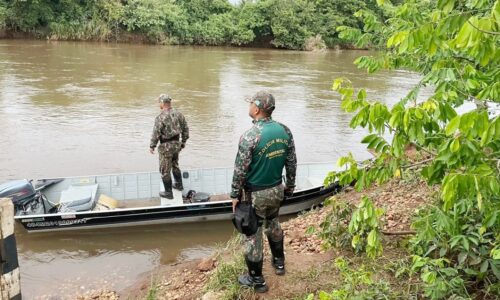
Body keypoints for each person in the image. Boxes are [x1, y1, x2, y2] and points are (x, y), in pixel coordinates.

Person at [230, 91, 297, 293]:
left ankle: (256, 280)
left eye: (250, 103)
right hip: (277, 189)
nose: (249, 106)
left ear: (257, 109)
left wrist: (234, 195)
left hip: (255, 195)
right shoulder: (285, 130)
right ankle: (279, 263)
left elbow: (240, 170)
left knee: (252, 234)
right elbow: (291, 162)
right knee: (274, 223)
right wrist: (290, 187)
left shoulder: (250, 136)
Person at [150, 94, 189, 199]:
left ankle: (168, 193)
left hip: (165, 147)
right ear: (170, 103)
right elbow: (186, 129)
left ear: (162, 103)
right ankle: (179, 185)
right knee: (175, 164)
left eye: (159, 103)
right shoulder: (179, 114)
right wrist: (183, 141)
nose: (159, 105)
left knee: (165, 170)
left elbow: (156, 133)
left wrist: (152, 146)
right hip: (177, 145)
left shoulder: (160, 117)